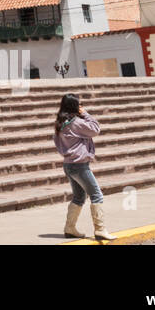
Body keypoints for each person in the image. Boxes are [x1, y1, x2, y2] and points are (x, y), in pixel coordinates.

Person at [53, 93, 113, 241]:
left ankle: (70, 228)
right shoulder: (76, 123)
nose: (81, 106)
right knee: (96, 195)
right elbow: (95, 129)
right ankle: (100, 230)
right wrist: (85, 113)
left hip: (68, 164)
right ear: (75, 106)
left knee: (79, 197)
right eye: (79, 104)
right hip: (80, 166)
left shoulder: (60, 123)